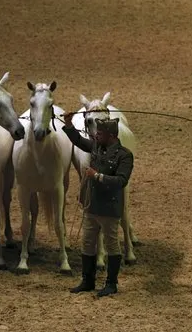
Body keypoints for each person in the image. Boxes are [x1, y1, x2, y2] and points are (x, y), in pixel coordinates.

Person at [62, 113, 134, 297]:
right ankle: (88, 280)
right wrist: (69, 124)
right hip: (92, 205)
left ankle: (111, 283)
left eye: (99, 133)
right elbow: (77, 140)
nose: (95, 135)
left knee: (111, 245)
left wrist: (97, 176)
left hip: (109, 208)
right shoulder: (96, 146)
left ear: (111, 136)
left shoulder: (124, 156)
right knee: (87, 242)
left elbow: (121, 181)